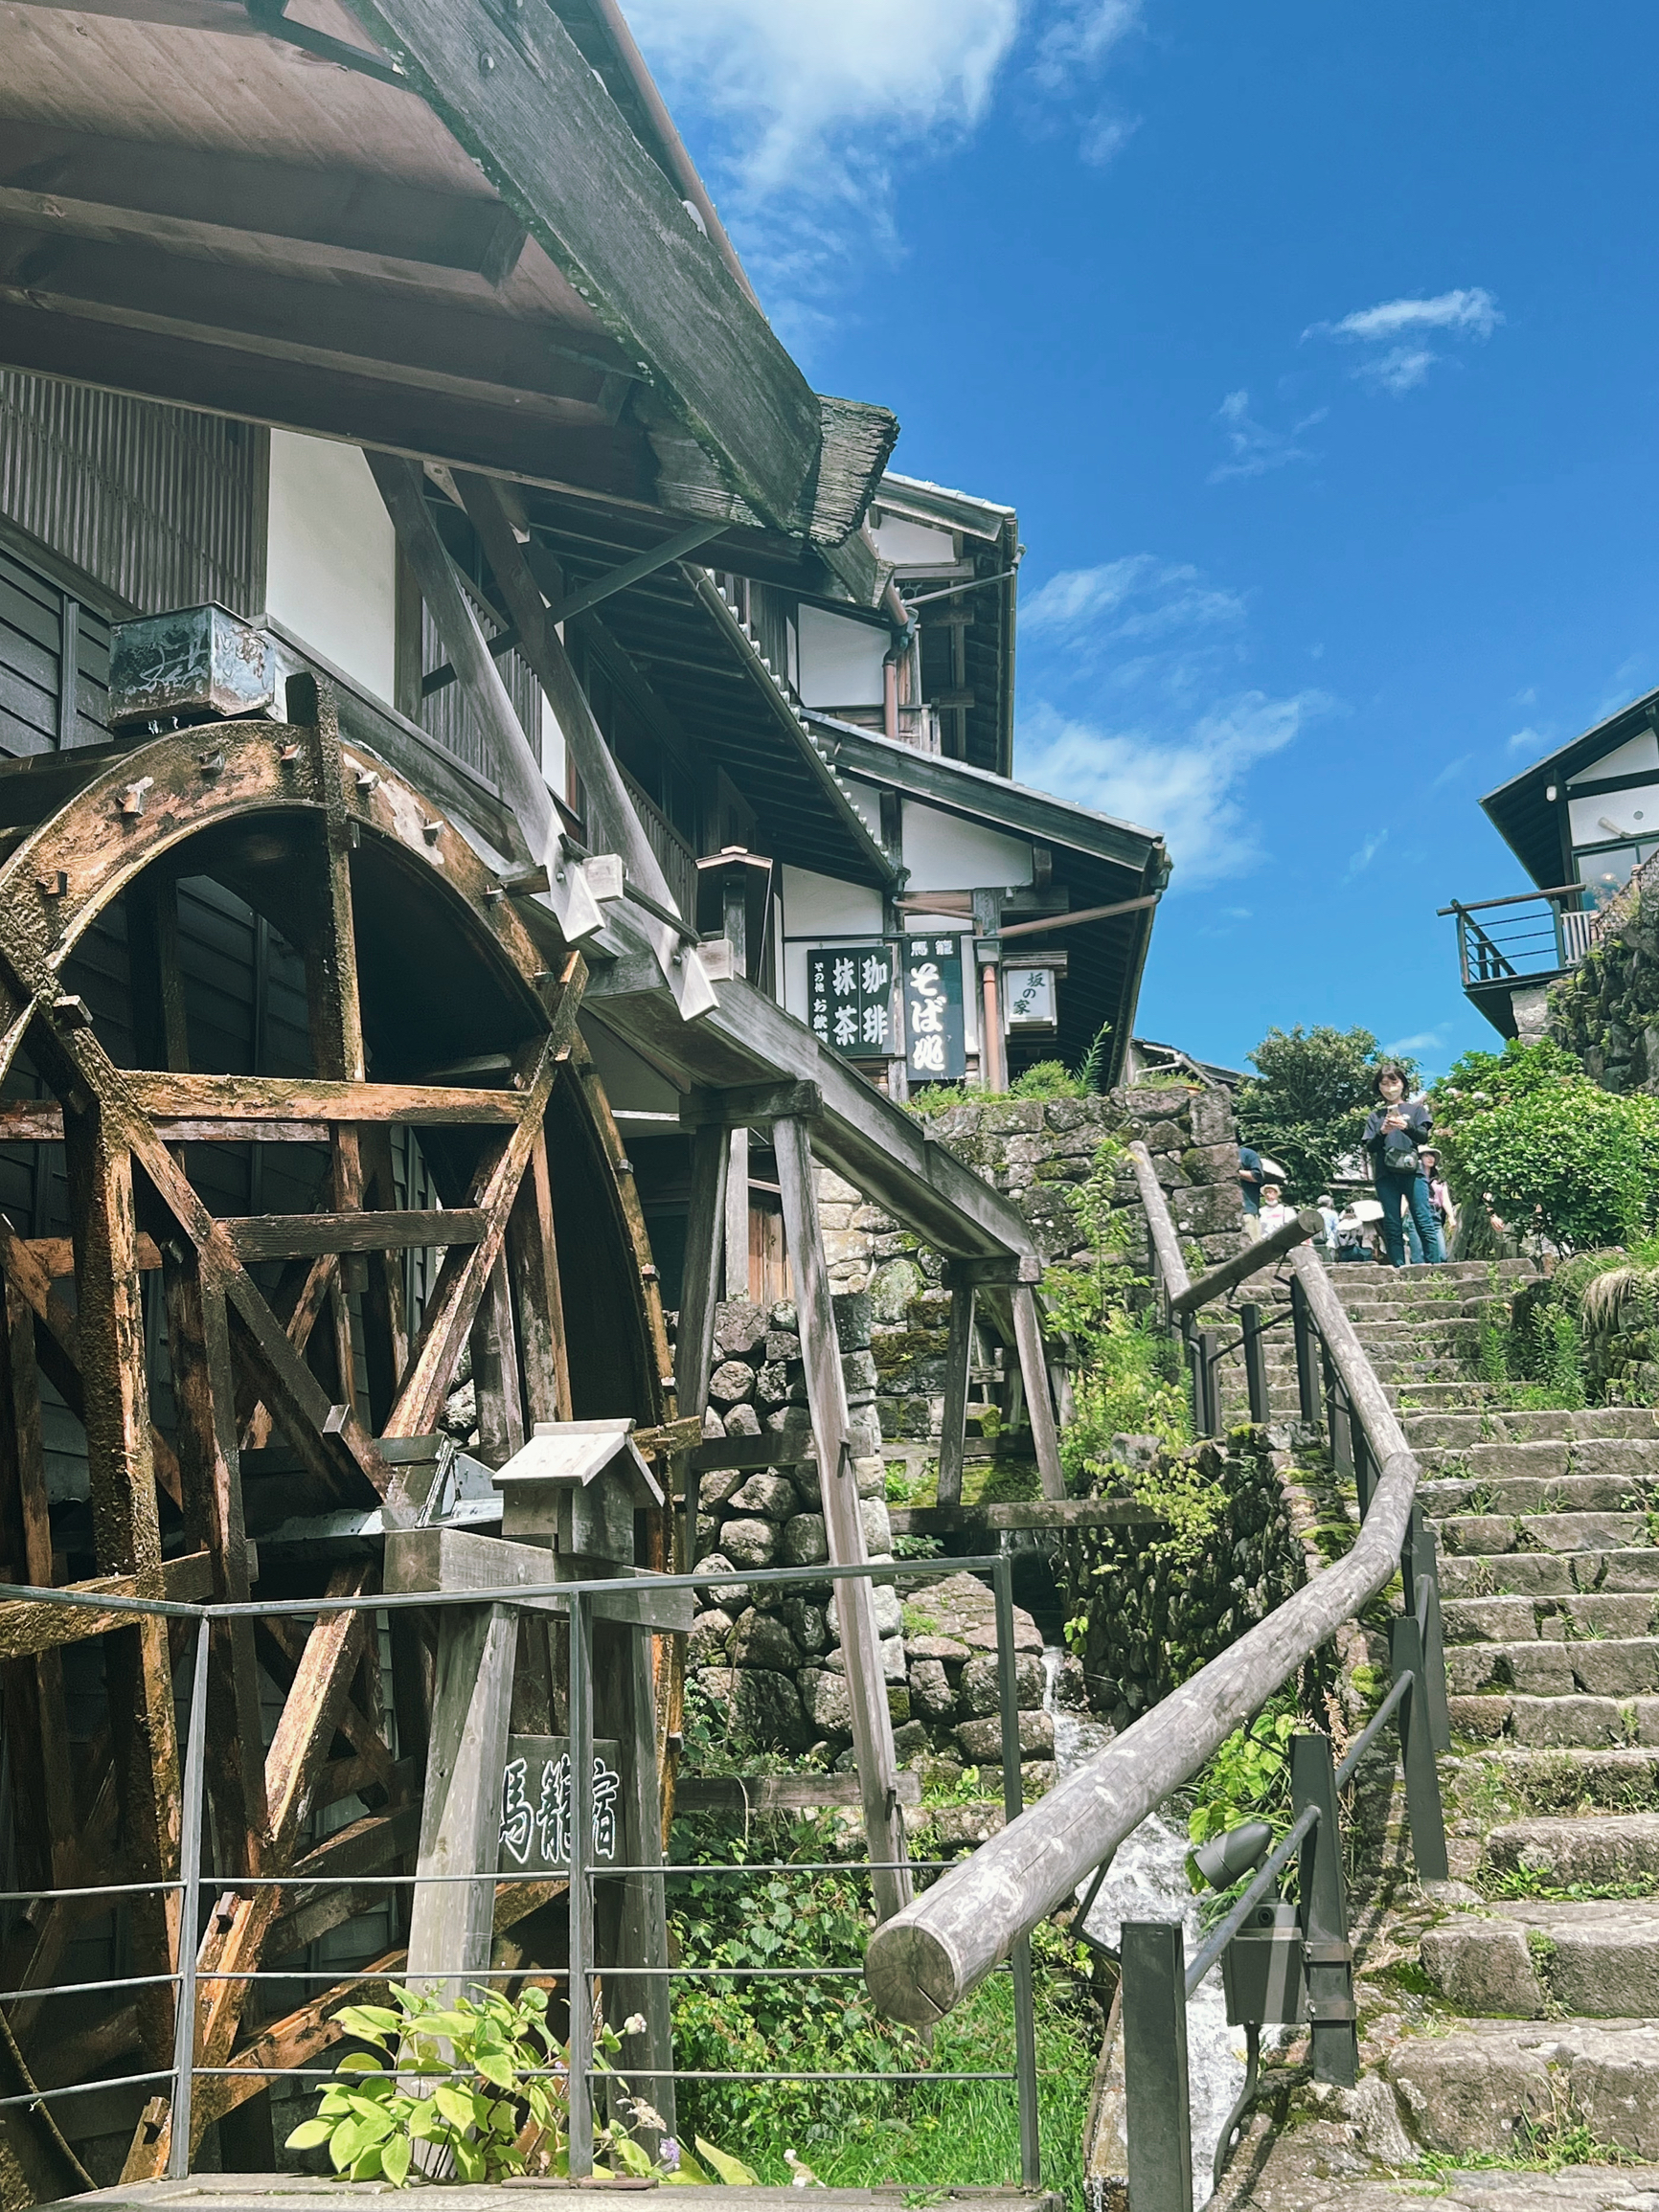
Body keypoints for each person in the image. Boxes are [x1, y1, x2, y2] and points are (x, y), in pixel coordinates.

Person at [1361, 1065, 1443, 1269]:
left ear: (1403, 1084)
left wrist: (1406, 1127)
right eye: (1384, 1084)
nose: (1390, 1088)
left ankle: (1435, 1267)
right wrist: (1383, 1132)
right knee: (1392, 1222)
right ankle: (1398, 1267)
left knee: (1423, 1218)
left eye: (1394, 1082)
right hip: (1385, 1174)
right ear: (1379, 1087)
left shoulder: (1416, 1110)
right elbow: (1370, 1147)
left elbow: (1423, 1137)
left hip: (1412, 1171)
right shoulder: (1375, 1116)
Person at [1420, 1148, 1457, 1247]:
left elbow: (1445, 1200)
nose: (1430, 1158)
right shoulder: (1416, 1179)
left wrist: (1451, 1217)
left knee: (1441, 1254)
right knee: (1421, 1253)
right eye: (1426, 1155)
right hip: (1419, 1212)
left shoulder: (1439, 1180)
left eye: (1432, 1155)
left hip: (1435, 1213)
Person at [1239, 1143, 1264, 1238]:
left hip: (1247, 1211)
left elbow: (1257, 1176)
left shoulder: (1246, 1154)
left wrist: (1236, 1172)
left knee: (1252, 1248)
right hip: (1225, 1213)